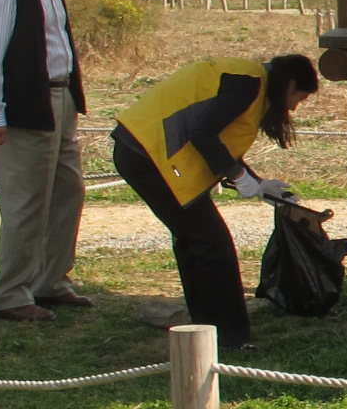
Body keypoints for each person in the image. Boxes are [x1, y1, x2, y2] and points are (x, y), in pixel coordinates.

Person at [111, 55, 319, 353]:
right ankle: (230, 339)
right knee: (212, 245)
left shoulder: (247, 80)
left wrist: (256, 183)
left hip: (141, 151)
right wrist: (237, 175)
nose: (294, 107)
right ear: (290, 83)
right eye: (298, 97)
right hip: (147, 155)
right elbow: (202, 133)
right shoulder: (247, 84)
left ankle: (203, 332)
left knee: (196, 242)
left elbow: (216, 139)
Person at [0, 0, 89, 322]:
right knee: (26, 203)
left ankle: (50, 281)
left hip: (60, 103)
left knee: (68, 191)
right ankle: (10, 293)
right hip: (26, 109)